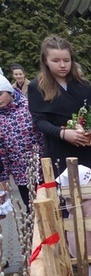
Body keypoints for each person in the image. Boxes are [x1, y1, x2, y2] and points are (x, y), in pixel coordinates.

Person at [27, 35, 91, 177]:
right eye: (56, 61)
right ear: (45, 61)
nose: (62, 65)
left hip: (89, 148)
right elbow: (39, 121)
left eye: (66, 60)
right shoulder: (36, 87)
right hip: (59, 150)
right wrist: (63, 133)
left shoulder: (83, 84)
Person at [0, 74, 43, 210]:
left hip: (42, 168)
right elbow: (2, 151)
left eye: (0, 94)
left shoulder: (29, 107)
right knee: (31, 209)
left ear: (9, 91)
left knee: (49, 206)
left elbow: (43, 134)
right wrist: (4, 177)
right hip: (20, 173)